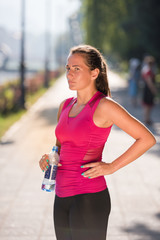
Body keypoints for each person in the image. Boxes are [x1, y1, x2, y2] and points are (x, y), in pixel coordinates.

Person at [39, 45, 156, 240]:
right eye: (68, 68)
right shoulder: (65, 105)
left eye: (77, 68)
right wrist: (48, 159)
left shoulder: (104, 106)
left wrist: (111, 167)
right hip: (60, 195)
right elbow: (59, 147)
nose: (70, 74)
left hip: (88, 198)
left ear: (94, 73)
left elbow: (146, 138)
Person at [141, 56, 157, 125]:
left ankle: (147, 119)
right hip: (148, 90)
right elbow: (149, 82)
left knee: (148, 105)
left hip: (146, 89)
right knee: (147, 105)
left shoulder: (146, 70)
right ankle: (146, 119)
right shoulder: (149, 71)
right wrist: (154, 90)